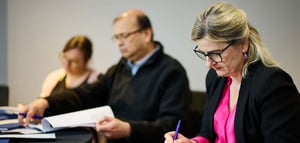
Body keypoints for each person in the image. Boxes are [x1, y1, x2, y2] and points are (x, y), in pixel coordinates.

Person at [18, 9, 191, 143]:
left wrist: (129, 129)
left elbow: (172, 125)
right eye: (116, 37)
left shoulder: (172, 71)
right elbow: (85, 94)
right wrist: (45, 102)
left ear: (146, 34)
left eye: (124, 36)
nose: (119, 43)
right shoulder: (118, 69)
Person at [164, 2, 300, 143]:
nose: (208, 64)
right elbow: (208, 132)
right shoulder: (215, 78)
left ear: (243, 44)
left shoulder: (273, 84)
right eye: (204, 54)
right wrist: (193, 142)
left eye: (216, 53)